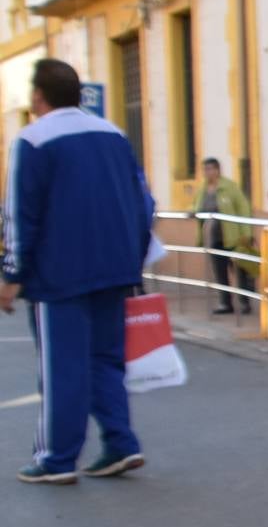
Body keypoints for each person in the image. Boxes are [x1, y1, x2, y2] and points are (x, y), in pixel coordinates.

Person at [0, 59, 154, 484]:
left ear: (37, 96)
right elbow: (144, 201)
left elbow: (20, 214)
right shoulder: (114, 134)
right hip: (116, 267)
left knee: (61, 366)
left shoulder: (31, 141)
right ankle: (120, 443)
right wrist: (136, 257)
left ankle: (55, 458)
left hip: (59, 273)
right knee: (106, 360)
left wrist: (11, 274)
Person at [200, 156, 256, 316]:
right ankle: (225, 302)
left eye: (210, 169)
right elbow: (198, 205)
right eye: (205, 169)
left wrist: (247, 233)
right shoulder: (203, 189)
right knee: (219, 270)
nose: (208, 172)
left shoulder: (229, 187)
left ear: (217, 170)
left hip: (232, 235)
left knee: (240, 270)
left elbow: (243, 208)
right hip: (213, 236)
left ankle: (245, 303)